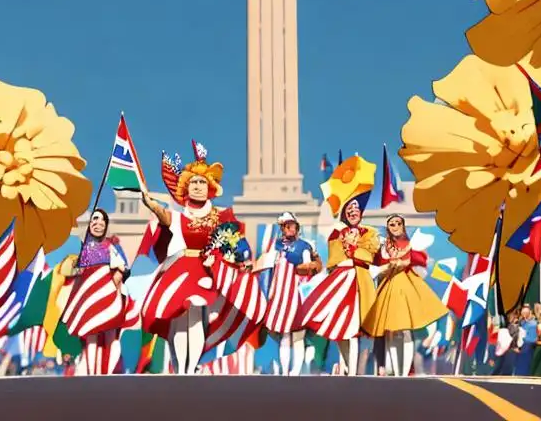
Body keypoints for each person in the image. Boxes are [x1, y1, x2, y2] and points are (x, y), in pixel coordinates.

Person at [139, 142, 263, 375]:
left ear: (211, 188)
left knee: (195, 315)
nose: (197, 186)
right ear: (186, 187)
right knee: (177, 321)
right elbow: (165, 217)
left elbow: (235, 242)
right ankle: (180, 368)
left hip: (206, 271)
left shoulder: (221, 216)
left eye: (202, 182)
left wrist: (242, 260)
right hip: (180, 269)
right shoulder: (180, 215)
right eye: (193, 182)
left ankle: (190, 368)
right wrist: (150, 203)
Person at [299, 167, 381, 376]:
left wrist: (354, 250)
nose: (353, 212)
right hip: (341, 281)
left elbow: (369, 254)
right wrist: (348, 247)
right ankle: (346, 368)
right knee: (341, 329)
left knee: (353, 329)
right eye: (349, 209)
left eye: (356, 209)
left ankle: (352, 372)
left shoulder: (370, 232)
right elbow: (335, 259)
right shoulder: (337, 232)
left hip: (359, 282)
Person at [362, 214, 447, 377]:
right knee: (391, 330)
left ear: (403, 225)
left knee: (406, 329)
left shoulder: (411, 244)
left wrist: (405, 262)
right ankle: (395, 368)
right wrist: (388, 265)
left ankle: (405, 368)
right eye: (392, 224)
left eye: (398, 223)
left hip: (407, 286)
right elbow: (376, 265)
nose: (395, 226)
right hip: (389, 286)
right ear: (388, 228)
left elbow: (420, 263)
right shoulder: (384, 246)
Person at [58, 208, 132, 375]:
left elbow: (122, 268)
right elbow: (77, 273)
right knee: (90, 334)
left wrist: (109, 288)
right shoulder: (84, 247)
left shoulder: (110, 246)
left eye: (101, 221)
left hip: (109, 296)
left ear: (106, 225)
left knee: (110, 335)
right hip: (89, 299)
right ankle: (92, 373)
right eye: (94, 220)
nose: (97, 224)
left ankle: (110, 372)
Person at [255, 212, 320, 376]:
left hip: (296, 294)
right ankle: (285, 371)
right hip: (279, 295)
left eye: (292, 225)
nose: (289, 228)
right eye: (286, 225)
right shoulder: (276, 246)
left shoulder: (303, 246)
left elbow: (308, 269)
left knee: (298, 334)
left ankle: (296, 371)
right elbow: (265, 257)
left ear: (297, 228)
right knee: (284, 334)